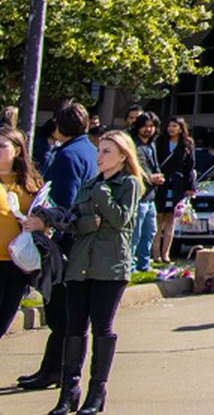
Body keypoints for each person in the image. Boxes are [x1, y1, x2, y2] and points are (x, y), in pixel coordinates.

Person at [30, 128, 141, 415]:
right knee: (74, 328)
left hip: (110, 267)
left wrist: (102, 194)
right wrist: (85, 221)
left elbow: (119, 219)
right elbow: (76, 221)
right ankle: (69, 392)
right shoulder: (89, 184)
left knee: (102, 328)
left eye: (106, 151)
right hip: (79, 266)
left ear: (122, 156)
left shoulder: (127, 183)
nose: (99, 156)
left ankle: (97, 392)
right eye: (99, 150)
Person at [16, 101, 98, 396]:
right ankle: (52, 369)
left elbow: (60, 201)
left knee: (61, 312)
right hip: (85, 244)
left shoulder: (67, 156)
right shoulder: (90, 151)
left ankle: (57, 371)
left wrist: (45, 223)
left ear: (58, 127)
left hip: (66, 244)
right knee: (68, 313)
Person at [0, 127, 43, 339]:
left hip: (19, 263)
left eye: (2, 146)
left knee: (4, 320)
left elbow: (46, 218)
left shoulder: (30, 183)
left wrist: (37, 224)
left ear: (17, 151)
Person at [150, 117, 195, 268]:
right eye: (169, 126)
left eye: (175, 126)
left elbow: (190, 167)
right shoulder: (159, 142)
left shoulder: (187, 144)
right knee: (158, 219)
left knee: (171, 220)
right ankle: (155, 253)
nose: (171, 129)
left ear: (181, 128)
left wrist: (190, 187)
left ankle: (166, 254)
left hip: (177, 185)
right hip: (161, 184)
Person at [126, 115, 160, 275]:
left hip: (151, 196)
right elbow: (135, 167)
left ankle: (143, 265)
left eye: (152, 126)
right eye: (145, 126)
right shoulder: (134, 144)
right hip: (138, 196)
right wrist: (149, 177)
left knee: (150, 232)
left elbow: (154, 166)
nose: (148, 129)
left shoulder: (151, 145)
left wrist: (158, 175)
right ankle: (130, 265)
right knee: (135, 233)